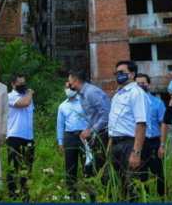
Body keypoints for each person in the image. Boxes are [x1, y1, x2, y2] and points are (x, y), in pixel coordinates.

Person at [107, 61, 150, 202]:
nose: (118, 75)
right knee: (117, 186)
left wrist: (136, 152)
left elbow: (141, 124)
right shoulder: (117, 94)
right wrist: (109, 146)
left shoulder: (136, 93)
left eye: (121, 72)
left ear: (132, 74)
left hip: (129, 145)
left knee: (132, 187)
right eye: (116, 73)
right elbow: (114, 124)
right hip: (115, 145)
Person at [67, 70, 111, 190]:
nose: (68, 84)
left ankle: (105, 195)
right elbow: (92, 116)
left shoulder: (92, 92)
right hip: (97, 135)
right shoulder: (82, 95)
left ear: (76, 82)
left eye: (70, 81)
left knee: (102, 168)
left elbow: (106, 116)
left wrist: (91, 131)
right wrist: (86, 131)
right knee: (92, 167)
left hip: (105, 135)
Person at [57, 81, 92, 199]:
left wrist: (91, 134)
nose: (68, 89)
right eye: (66, 87)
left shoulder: (84, 101)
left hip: (84, 136)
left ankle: (90, 194)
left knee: (87, 165)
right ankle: (71, 195)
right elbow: (60, 125)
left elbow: (92, 117)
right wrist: (60, 143)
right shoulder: (62, 106)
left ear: (75, 88)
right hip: (70, 137)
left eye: (70, 86)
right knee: (70, 166)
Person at [135, 73, 166, 199]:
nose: (141, 86)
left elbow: (164, 123)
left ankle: (162, 197)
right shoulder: (133, 102)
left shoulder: (158, 103)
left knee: (159, 172)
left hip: (154, 142)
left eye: (143, 83)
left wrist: (162, 145)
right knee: (141, 174)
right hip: (139, 143)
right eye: (138, 84)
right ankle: (145, 198)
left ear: (149, 85)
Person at [7, 73, 35, 201]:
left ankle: (25, 196)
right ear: (13, 85)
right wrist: (30, 93)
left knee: (27, 168)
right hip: (15, 137)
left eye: (24, 82)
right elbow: (25, 103)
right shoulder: (10, 96)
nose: (23, 85)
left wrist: (28, 94)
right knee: (14, 168)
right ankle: (13, 196)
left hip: (28, 137)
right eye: (20, 84)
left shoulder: (27, 96)